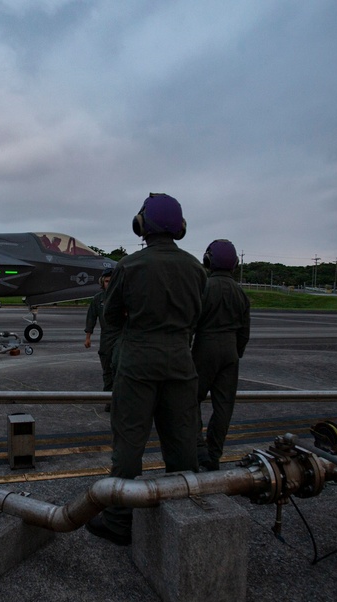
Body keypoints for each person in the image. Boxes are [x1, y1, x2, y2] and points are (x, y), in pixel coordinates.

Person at [85, 193, 207, 546]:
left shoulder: (130, 266)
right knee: (182, 444)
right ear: (180, 228)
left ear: (142, 225)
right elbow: (197, 317)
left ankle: (120, 522)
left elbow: (111, 315)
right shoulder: (197, 269)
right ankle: (183, 518)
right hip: (181, 362)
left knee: (128, 445)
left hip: (138, 362)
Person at [193, 239, 251, 471]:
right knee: (224, 406)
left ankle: (198, 448)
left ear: (208, 260)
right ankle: (214, 454)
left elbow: (191, 322)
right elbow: (244, 332)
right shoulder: (241, 293)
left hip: (205, 346)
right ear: (234, 264)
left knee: (190, 399)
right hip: (230, 351)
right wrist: (235, 353)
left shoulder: (203, 287)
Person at [84, 266, 119, 408]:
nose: (109, 284)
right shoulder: (98, 299)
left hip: (121, 336)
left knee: (118, 368)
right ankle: (108, 399)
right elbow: (91, 318)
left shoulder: (123, 297)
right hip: (106, 338)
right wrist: (88, 337)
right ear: (102, 282)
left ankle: (119, 400)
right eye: (107, 281)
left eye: (112, 281)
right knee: (107, 369)